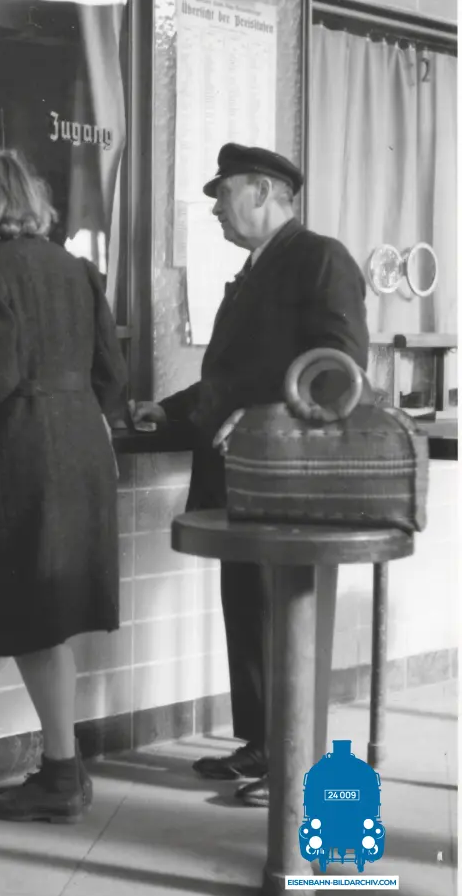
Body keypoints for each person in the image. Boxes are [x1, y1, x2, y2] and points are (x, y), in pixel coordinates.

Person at [132, 143, 369, 809]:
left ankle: (297, 765)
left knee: (283, 617)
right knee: (249, 609)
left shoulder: (320, 258)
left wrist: (270, 416)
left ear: (264, 192)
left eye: (225, 192)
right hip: (240, 477)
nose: (215, 207)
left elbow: (340, 370)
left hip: (287, 476)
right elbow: (235, 375)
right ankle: (265, 744)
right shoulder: (257, 268)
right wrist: (172, 410)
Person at [0, 148, 126, 824]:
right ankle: (62, 767)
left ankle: (62, 775)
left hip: (27, 448)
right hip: (82, 445)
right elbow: (112, 376)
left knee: (32, 613)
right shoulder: (78, 269)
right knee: (53, 613)